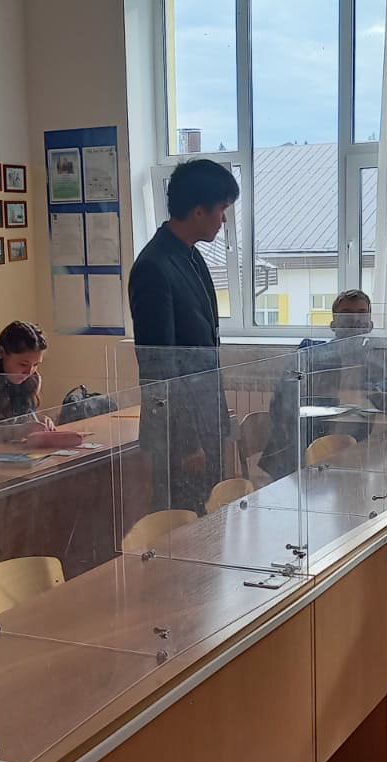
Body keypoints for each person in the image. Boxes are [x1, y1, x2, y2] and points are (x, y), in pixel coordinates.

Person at [128, 159, 238, 512]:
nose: (223, 220)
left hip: (206, 420)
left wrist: (218, 422)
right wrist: (189, 440)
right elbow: (159, 366)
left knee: (212, 518)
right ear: (198, 210)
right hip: (179, 435)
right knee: (184, 524)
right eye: (221, 209)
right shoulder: (154, 266)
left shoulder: (190, 255)